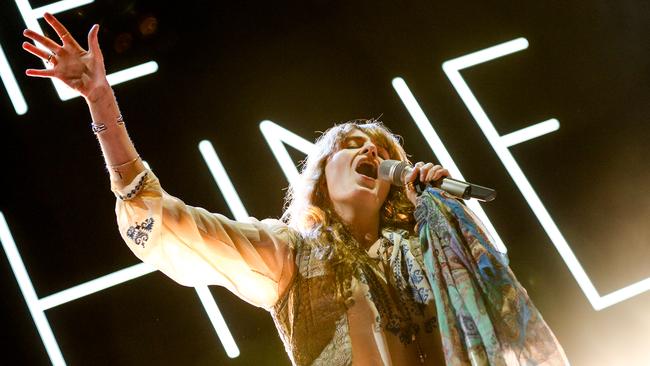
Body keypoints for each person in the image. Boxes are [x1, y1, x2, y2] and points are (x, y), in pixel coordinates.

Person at [22, 13, 570, 366]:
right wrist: (102, 106)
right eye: (353, 144)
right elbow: (170, 222)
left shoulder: (425, 250)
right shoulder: (288, 257)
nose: (371, 153)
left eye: (383, 151)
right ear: (320, 179)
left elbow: (501, 322)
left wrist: (442, 211)